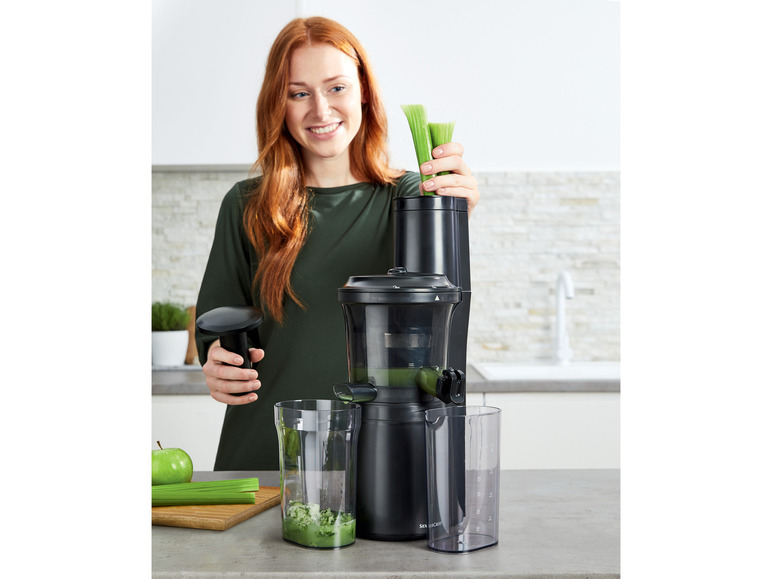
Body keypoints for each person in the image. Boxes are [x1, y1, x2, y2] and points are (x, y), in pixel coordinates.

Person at [195, 16, 479, 471]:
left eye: (337, 88)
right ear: (278, 104)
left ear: (363, 90)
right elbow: (215, 326)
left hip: (381, 458)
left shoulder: (410, 198)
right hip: (265, 456)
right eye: (299, 93)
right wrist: (218, 363)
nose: (321, 110)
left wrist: (449, 213)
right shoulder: (246, 204)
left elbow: (439, 307)